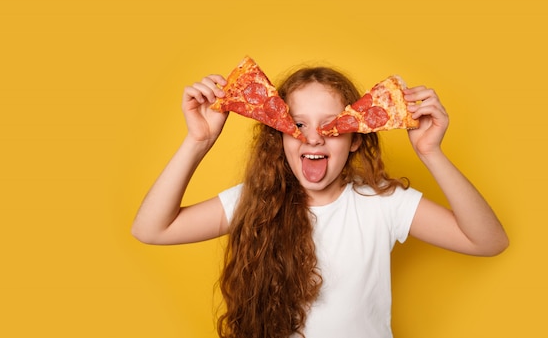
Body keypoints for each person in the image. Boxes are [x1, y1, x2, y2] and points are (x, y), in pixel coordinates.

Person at [132, 65, 509, 338]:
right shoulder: (253, 201)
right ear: (279, 137)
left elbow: (488, 241)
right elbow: (151, 229)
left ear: (356, 138)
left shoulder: (382, 204)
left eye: (331, 126)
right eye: (297, 124)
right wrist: (197, 142)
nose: (313, 139)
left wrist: (432, 153)